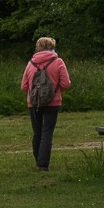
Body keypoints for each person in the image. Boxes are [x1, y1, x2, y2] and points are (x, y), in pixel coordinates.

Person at [21, 37, 72, 171]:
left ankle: (38, 160)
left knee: (37, 132)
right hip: (52, 102)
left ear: (38, 47)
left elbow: (24, 86)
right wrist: (55, 90)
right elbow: (66, 84)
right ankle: (43, 164)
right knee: (47, 132)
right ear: (52, 47)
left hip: (34, 103)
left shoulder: (31, 63)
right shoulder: (58, 61)